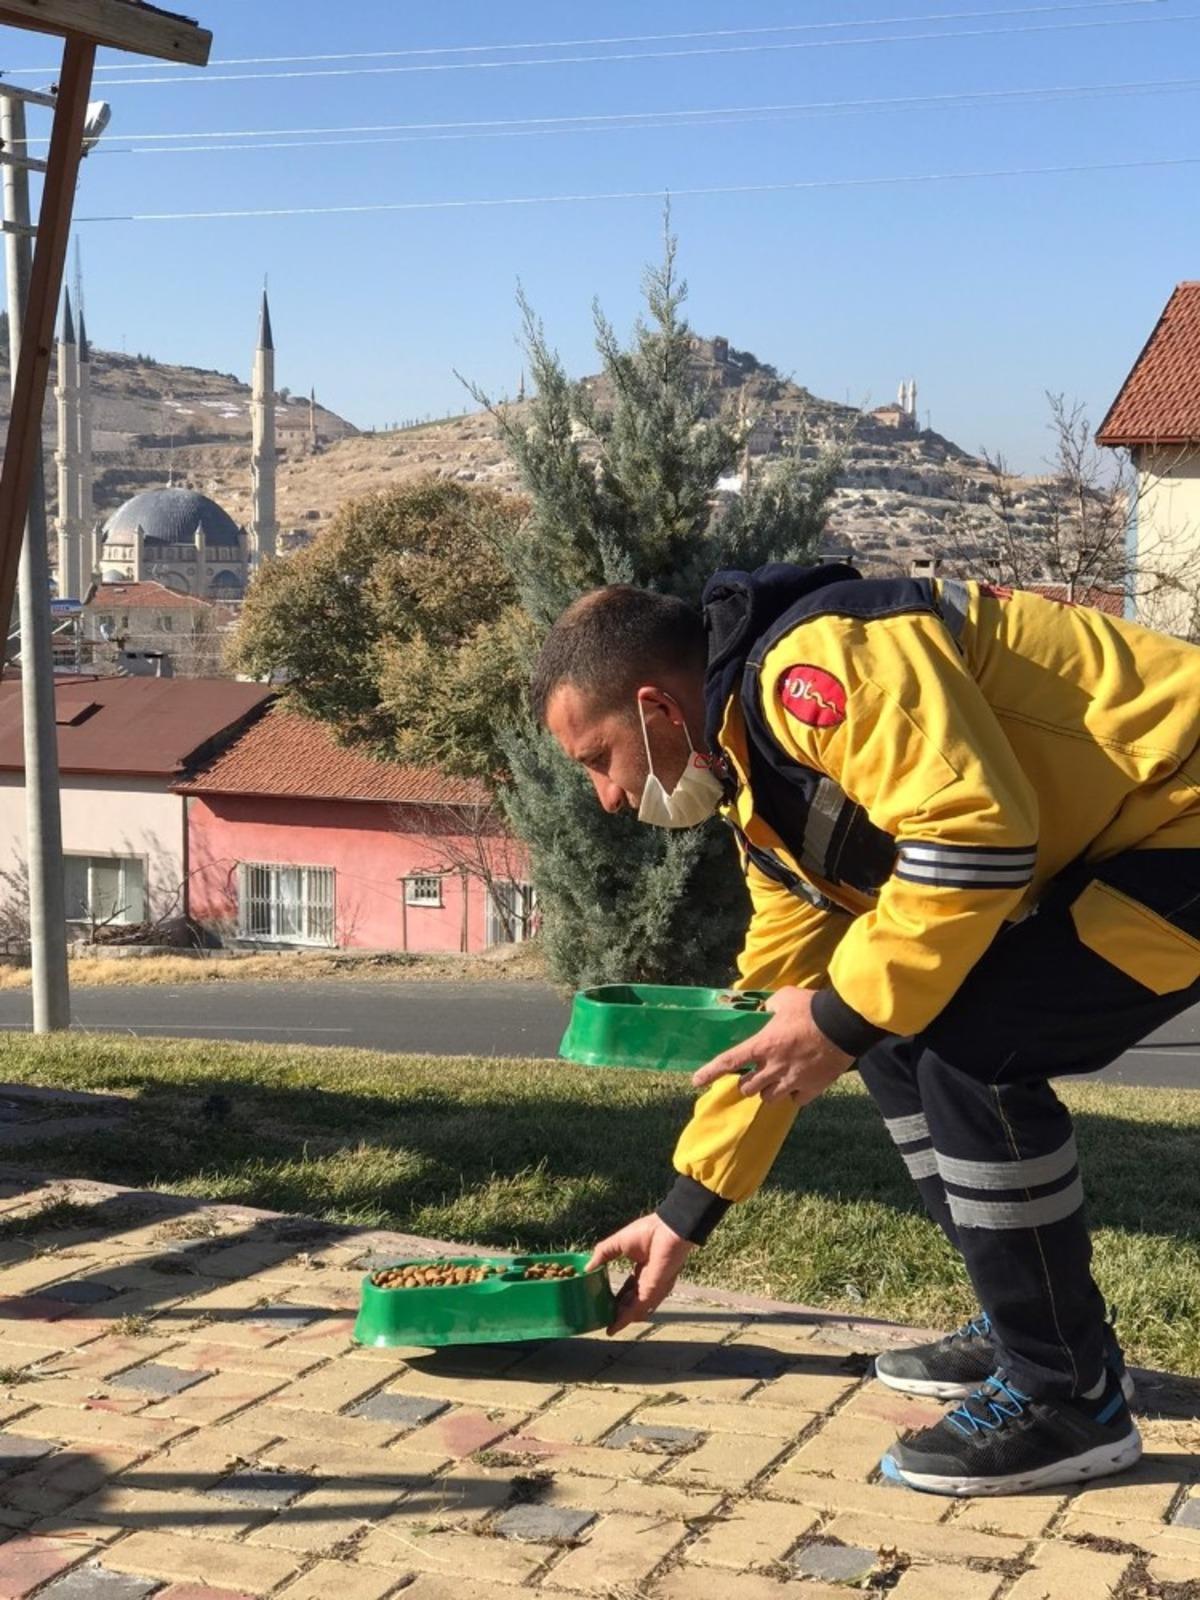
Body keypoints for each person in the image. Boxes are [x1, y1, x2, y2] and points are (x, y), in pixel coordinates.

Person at [532, 561, 1200, 1497]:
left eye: (597, 759)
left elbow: (979, 835)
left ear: (656, 709)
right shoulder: (762, 795)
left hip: (1185, 818)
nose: (606, 796)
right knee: (892, 1028)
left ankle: (1069, 1394)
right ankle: (1026, 1326)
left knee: (973, 1047)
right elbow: (778, 1012)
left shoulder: (819, 664)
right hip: (1147, 831)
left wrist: (842, 1019)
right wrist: (685, 1212)